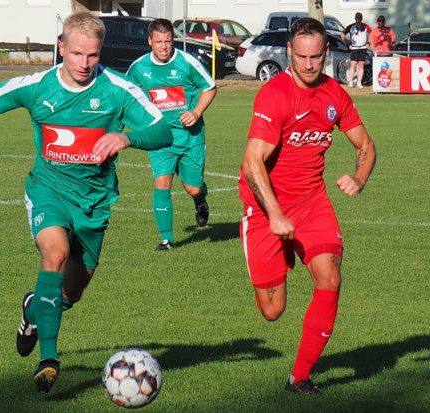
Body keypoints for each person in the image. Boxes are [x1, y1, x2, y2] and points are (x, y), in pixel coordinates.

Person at [0, 12, 173, 393]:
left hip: (94, 203)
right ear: (61, 47)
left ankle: (33, 310)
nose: (84, 64)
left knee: (70, 294)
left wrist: (126, 139)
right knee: (54, 253)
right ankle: (49, 360)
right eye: (77, 54)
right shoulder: (36, 86)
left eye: (93, 55)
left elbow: (162, 128)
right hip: (48, 189)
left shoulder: (117, 88)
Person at [239, 18, 376, 394]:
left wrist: (359, 178)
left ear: (326, 52)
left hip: (313, 203)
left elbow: (366, 146)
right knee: (272, 311)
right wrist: (276, 215)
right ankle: (275, 252)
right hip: (267, 209)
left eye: (316, 56)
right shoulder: (275, 95)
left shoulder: (336, 95)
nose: (309, 64)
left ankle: (299, 378)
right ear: (289, 52)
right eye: (301, 57)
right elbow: (253, 163)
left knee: (330, 277)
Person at [126, 18, 217, 251]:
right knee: (161, 182)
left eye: (167, 41)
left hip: (190, 136)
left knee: (192, 187)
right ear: (149, 41)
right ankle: (167, 239)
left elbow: (209, 87)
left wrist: (196, 112)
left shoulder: (187, 63)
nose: (164, 46)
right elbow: (127, 96)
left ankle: (200, 201)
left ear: (172, 40)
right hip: (160, 137)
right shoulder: (138, 68)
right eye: (158, 42)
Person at [340, 12, 371, 88]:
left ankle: (359, 82)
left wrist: (369, 43)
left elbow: (372, 34)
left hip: (363, 48)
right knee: (353, 64)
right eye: (357, 18)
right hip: (354, 48)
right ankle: (350, 81)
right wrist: (347, 45)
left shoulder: (365, 26)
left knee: (361, 65)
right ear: (355, 18)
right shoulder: (351, 26)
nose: (358, 19)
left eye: (360, 18)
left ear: (361, 19)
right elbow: (342, 34)